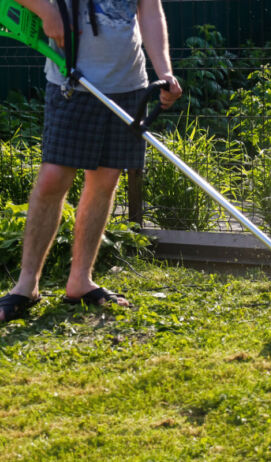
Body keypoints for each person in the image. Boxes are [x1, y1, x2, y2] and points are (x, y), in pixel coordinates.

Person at [0, 0, 182, 323]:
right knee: (54, 176)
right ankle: (26, 285)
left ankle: (80, 280)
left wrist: (164, 69)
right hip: (72, 78)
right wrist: (47, 12)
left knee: (105, 178)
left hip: (127, 83)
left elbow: (150, 10)